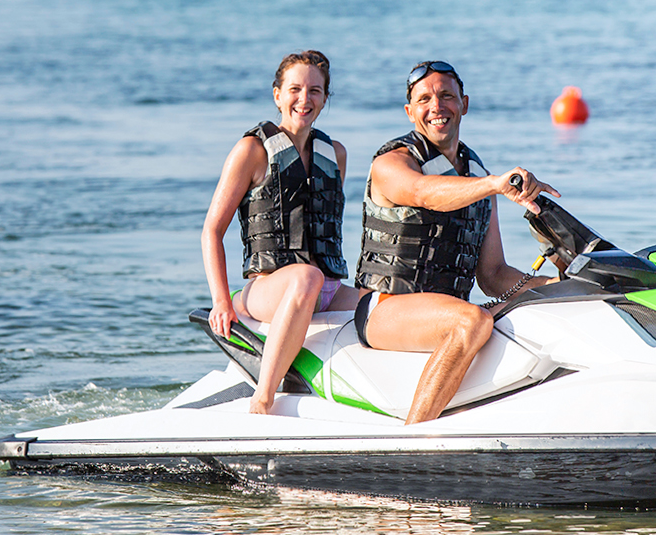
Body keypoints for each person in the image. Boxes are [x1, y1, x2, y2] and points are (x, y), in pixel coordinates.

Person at [353, 60, 560, 424]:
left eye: (446, 96)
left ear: (464, 103)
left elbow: (494, 275)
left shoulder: (477, 175)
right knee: (471, 321)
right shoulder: (392, 164)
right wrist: (496, 184)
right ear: (409, 111)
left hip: (443, 310)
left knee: (531, 316)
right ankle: (410, 441)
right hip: (384, 308)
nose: (437, 106)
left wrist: (563, 286)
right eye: (424, 99)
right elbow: (423, 192)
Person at [202, 50, 364, 414]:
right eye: (295, 89)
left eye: (315, 91)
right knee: (306, 276)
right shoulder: (252, 151)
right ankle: (264, 398)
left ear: (325, 98)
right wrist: (221, 301)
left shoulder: (335, 153)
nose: (304, 99)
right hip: (266, 289)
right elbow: (212, 231)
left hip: (327, 288)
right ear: (277, 94)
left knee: (385, 302)